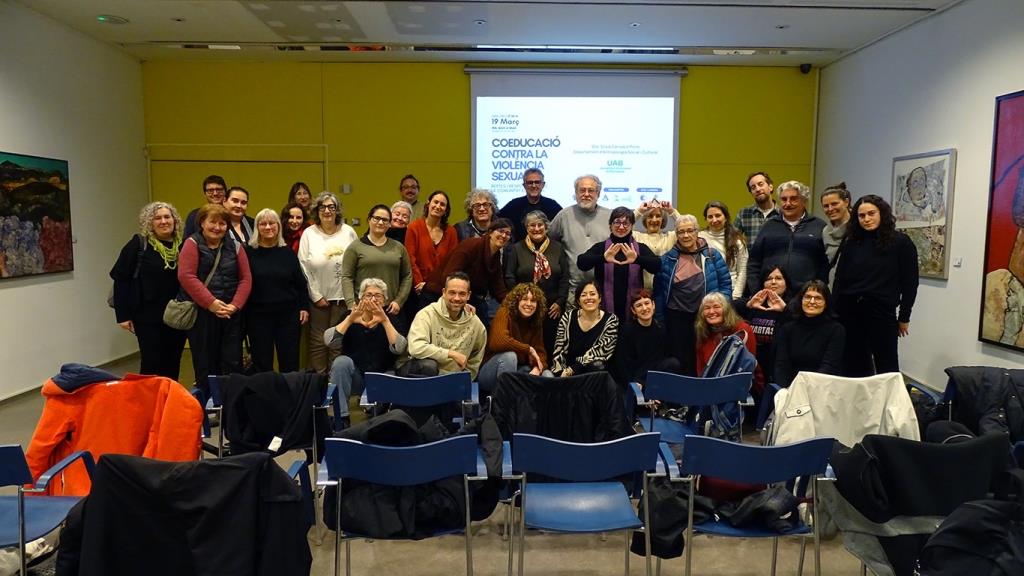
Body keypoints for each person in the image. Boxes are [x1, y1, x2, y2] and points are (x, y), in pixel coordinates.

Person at [834, 195, 919, 376]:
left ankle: (887, 404)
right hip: (849, 311)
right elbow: (840, 280)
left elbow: (910, 283)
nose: (866, 219)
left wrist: (904, 316)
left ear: (882, 213)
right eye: (861, 216)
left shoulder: (901, 243)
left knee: (886, 366)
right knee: (853, 363)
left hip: (881, 312)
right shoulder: (851, 243)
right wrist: (835, 312)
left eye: (871, 213)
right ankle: (857, 403)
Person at [177, 203, 251, 394]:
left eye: (222, 223)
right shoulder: (191, 244)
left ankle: (232, 405)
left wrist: (234, 305)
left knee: (232, 362)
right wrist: (211, 303)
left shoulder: (235, 246)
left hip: (231, 315)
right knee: (205, 363)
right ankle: (208, 407)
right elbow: (186, 276)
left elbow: (246, 278)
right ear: (202, 222)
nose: (217, 227)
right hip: (202, 315)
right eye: (212, 222)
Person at [110, 201, 187, 380]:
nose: (163, 221)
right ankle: (147, 404)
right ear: (149, 223)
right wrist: (122, 315)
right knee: (151, 363)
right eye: (157, 218)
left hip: (176, 316)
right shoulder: (139, 244)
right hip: (146, 316)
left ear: (175, 220)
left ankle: (168, 402)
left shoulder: (183, 246)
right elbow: (121, 279)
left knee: (173, 362)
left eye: (167, 217)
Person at [653, 214, 732, 375]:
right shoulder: (667, 259)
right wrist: (660, 319)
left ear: (697, 232)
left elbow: (725, 285)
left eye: (690, 231)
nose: (686, 235)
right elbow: (659, 292)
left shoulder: (712, 255)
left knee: (707, 358)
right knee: (681, 361)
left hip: (706, 316)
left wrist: (720, 310)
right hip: (677, 318)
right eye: (681, 232)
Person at [326, 278, 408, 430]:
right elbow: (329, 341)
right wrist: (350, 320)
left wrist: (385, 321)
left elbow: (399, 348)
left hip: (383, 376)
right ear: (360, 299)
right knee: (341, 362)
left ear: (385, 300)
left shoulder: (393, 319)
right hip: (356, 376)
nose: (373, 299)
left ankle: (378, 419)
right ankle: (341, 419)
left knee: (391, 375)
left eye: (378, 296)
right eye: (368, 295)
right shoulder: (349, 316)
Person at [298, 192, 359, 374]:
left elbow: (357, 262)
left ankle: (335, 383)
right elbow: (303, 266)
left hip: (344, 297)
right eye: (322, 207)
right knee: (318, 343)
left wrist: (352, 295)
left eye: (331, 207)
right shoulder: (309, 233)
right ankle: (319, 384)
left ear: (337, 210)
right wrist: (315, 295)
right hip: (319, 300)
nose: (327, 211)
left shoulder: (348, 231)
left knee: (338, 342)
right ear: (317, 211)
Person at [245, 208, 309, 374]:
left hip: (288, 315)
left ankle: (289, 397)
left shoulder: (287, 252)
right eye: (263, 223)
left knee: (289, 361)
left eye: (272, 223)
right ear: (257, 227)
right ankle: (264, 397)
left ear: (278, 226)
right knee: (261, 361)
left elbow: (301, 283)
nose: (268, 227)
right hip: (258, 316)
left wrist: (304, 307)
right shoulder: (248, 253)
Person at [504, 210, 570, 356]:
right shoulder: (516, 248)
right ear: (526, 228)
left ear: (546, 227)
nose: (536, 229)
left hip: (552, 308)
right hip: (525, 307)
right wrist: (519, 301)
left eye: (540, 225)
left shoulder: (558, 248)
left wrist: (560, 301)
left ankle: (549, 373)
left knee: (550, 343)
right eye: (531, 225)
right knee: (526, 343)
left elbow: (565, 277)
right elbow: (509, 276)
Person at [745, 180, 828, 295]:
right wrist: (757, 290)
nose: (787, 204)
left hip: (806, 297)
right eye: (784, 199)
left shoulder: (819, 227)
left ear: (804, 201)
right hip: (770, 296)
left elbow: (824, 265)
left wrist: (818, 291)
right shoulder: (769, 226)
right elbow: (754, 262)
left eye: (793, 199)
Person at [577, 206, 661, 320]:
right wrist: (602, 258)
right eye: (617, 222)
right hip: (604, 311)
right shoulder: (601, 248)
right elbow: (581, 263)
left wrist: (637, 259)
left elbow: (657, 266)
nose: (621, 227)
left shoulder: (639, 248)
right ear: (610, 225)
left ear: (631, 226)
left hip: (634, 310)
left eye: (626, 223)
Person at [398, 272, 487, 378]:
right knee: (429, 366)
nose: (457, 298)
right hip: (418, 372)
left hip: (452, 378)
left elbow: (475, 359)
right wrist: (451, 354)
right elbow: (416, 348)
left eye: (462, 294)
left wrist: (465, 380)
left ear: (468, 295)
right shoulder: (426, 314)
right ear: (444, 293)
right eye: (452, 293)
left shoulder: (475, 323)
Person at [423, 219, 512, 323]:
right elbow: (450, 274)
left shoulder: (495, 256)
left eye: (508, 233)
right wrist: (461, 301)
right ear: (490, 232)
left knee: (483, 329)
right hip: (439, 295)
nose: (504, 236)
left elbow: (498, 287)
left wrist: (513, 303)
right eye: (501, 231)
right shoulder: (471, 245)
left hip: (467, 298)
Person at [340, 204, 412, 322]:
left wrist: (399, 301)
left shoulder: (399, 248)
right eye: (376, 218)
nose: (380, 222)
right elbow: (347, 277)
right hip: (363, 309)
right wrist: (351, 303)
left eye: (385, 220)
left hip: (390, 309)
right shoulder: (355, 247)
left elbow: (407, 276)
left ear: (390, 223)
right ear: (369, 220)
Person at [548, 174, 613, 301]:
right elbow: (548, 242)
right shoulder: (564, 216)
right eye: (582, 190)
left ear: (598, 194)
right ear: (576, 193)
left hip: (604, 288)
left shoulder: (610, 216)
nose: (586, 194)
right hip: (573, 289)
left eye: (591, 190)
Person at [478, 283, 551, 392]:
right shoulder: (505, 312)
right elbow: (498, 341)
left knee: (547, 375)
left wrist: (536, 369)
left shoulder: (536, 322)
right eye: (524, 299)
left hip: (519, 370)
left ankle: (534, 407)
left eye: (533, 301)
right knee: (510, 357)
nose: (529, 304)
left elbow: (540, 354)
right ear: (516, 301)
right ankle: (504, 403)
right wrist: (528, 349)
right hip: (491, 372)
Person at [773, 280, 845, 387]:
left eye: (818, 298)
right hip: (791, 388)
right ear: (801, 300)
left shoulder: (836, 330)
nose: (811, 301)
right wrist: (787, 389)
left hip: (822, 388)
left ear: (826, 303)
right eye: (807, 297)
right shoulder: (787, 329)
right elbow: (781, 365)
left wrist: (806, 389)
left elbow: (829, 366)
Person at [739, 266, 794, 385]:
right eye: (769, 278)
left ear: (786, 282)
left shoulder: (794, 305)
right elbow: (727, 307)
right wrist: (748, 305)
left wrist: (785, 309)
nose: (773, 282)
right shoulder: (755, 301)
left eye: (778, 278)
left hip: (777, 363)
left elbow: (801, 325)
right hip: (752, 361)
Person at [550, 281, 619, 377]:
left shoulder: (611, 320)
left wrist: (572, 370)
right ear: (578, 301)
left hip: (591, 375)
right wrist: (560, 373)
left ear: (600, 298)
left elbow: (602, 351)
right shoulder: (568, 317)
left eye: (592, 294)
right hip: (565, 375)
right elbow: (559, 348)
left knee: (598, 365)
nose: (588, 298)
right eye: (584, 295)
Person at [405, 190, 459, 309]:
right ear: (428, 204)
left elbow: (452, 262)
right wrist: (420, 284)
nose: (438, 206)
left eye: (442, 204)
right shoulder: (414, 227)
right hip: (417, 290)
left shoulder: (451, 232)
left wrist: (438, 285)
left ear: (446, 210)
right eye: (436, 202)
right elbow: (410, 258)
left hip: (442, 290)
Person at [614, 290, 681, 387]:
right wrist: (633, 382)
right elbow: (622, 363)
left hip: (655, 377)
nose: (644, 308)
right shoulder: (627, 331)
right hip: (636, 378)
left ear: (653, 305)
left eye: (647, 303)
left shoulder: (661, 328)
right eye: (639, 305)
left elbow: (663, 359)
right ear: (633, 310)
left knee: (673, 363)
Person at [694, 292, 757, 377]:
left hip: (739, 382)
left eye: (716, 307)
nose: (711, 311)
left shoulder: (742, 330)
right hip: (710, 383)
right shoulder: (703, 332)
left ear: (726, 310)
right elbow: (701, 367)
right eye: (707, 308)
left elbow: (747, 365)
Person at [699, 201, 748, 300]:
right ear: (705, 219)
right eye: (710, 217)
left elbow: (742, 271)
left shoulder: (737, 241)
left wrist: (735, 296)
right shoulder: (700, 237)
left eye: (718, 215)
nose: (714, 220)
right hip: (705, 293)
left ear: (725, 217)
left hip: (730, 292)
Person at [497, 168, 563, 241]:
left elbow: (563, 226)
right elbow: (497, 220)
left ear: (543, 185)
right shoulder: (514, 205)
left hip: (548, 250)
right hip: (518, 250)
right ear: (524, 185)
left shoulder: (552, 205)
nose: (534, 186)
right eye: (530, 183)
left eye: (537, 182)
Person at [633, 200, 678, 289]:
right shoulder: (637, 237)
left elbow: (686, 226)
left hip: (666, 290)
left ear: (663, 219)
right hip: (643, 292)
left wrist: (672, 211)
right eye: (650, 216)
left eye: (658, 216)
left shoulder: (670, 237)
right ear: (645, 219)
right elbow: (625, 225)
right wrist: (639, 211)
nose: (654, 219)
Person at [733, 171, 779, 247]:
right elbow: (732, 239)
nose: (757, 189)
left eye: (760, 184)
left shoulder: (783, 214)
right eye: (753, 187)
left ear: (770, 187)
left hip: (777, 258)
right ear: (751, 193)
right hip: (752, 258)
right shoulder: (744, 213)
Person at [821, 182, 853, 287]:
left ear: (846, 202)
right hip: (834, 288)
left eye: (834, 204)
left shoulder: (859, 228)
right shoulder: (825, 231)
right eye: (826, 206)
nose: (830, 209)